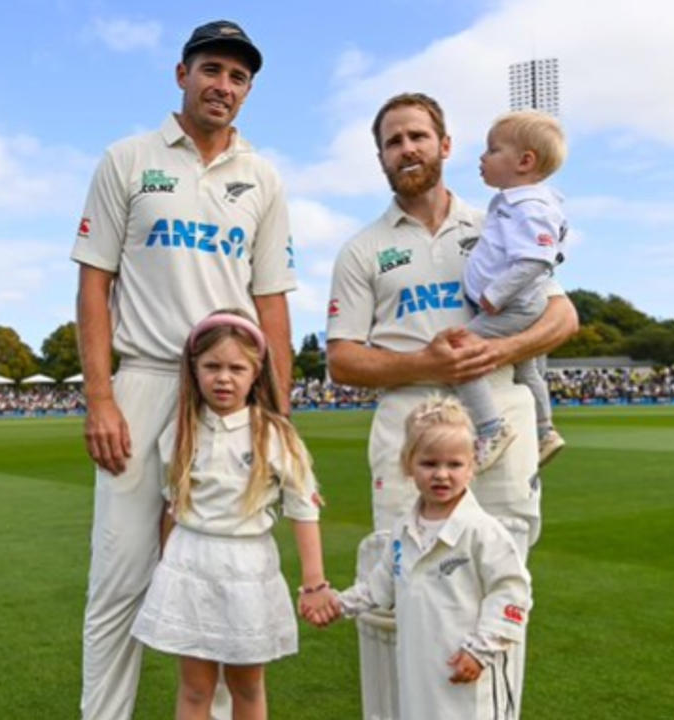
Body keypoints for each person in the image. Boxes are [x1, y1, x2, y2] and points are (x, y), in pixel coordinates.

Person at [325, 92, 578, 717]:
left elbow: (562, 314)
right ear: (381, 157)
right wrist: (426, 364)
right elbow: (342, 360)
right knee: (395, 599)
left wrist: (502, 350)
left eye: (417, 135)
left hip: (497, 426)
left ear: (445, 145)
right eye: (392, 141)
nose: (406, 148)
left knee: (500, 590)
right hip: (407, 430)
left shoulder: (503, 217)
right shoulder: (363, 248)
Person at [71, 19, 295, 720]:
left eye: (238, 77)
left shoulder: (262, 177)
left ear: (248, 90)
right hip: (142, 381)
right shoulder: (128, 159)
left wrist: (279, 416)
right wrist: (100, 397)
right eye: (212, 71)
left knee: (226, 573)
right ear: (181, 74)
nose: (223, 86)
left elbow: (272, 302)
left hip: (230, 394)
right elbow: (93, 285)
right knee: (121, 576)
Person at [130, 310, 338, 720]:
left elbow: (303, 509)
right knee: (194, 688)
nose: (223, 378)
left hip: (248, 566)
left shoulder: (275, 434)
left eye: (236, 368)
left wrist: (314, 583)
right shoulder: (179, 432)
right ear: (194, 369)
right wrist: (165, 565)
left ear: (255, 371)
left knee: (247, 685)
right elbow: (174, 508)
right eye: (212, 366)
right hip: (191, 563)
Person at [331, 396, 531, 720]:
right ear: (409, 464)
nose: (441, 474)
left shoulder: (483, 531)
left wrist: (480, 651)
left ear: (471, 466)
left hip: (469, 673)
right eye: (429, 463)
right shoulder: (403, 531)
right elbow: (380, 587)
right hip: (420, 674)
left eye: (454, 464)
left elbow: (513, 593)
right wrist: (337, 604)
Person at [456, 110, 570, 471]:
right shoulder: (518, 203)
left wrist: (495, 295)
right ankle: (545, 431)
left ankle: (491, 428)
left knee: (462, 355)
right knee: (528, 370)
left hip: (512, 307)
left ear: (524, 161)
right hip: (520, 304)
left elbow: (537, 260)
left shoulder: (529, 207)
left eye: (492, 150)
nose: (482, 157)